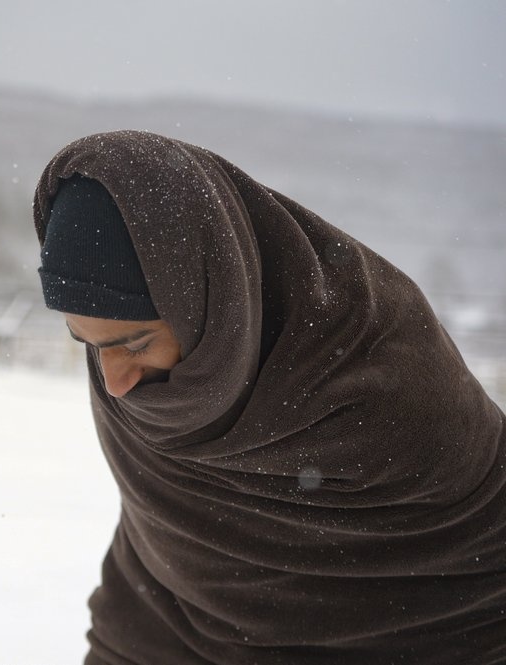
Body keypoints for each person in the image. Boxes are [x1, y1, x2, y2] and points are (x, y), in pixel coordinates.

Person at [32, 130, 506, 664]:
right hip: (159, 636)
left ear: (213, 304)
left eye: (136, 344)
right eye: (87, 344)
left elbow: (483, 554)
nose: (115, 382)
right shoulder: (142, 378)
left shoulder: (386, 379)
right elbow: (160, 550)